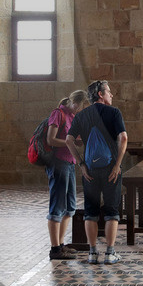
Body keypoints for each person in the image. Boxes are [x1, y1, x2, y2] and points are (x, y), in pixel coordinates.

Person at [66, 78, 128, 264]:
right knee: (111, 211)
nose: (111, 94)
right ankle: (110, 253)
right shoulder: (114, 112)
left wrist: (81, 164)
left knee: (90, 212)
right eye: (108, 91)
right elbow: (123, 138)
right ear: (100, 94)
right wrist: (117, 165)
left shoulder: (81, 116)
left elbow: (69, 140)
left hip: (90, 170)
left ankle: (92, 253)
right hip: (111, 169)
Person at [44, 89, 89, 261]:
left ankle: (61, 245)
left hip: (69, 163)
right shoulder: (58, 113)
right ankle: (55, 249)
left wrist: (78, 140)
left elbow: (74, 139)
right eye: (82, 107)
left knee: (70, 207)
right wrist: (69, 142)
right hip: (58, 164)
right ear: (76, 104)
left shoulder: (73, 117)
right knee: (57, 207)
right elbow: (51, 139)